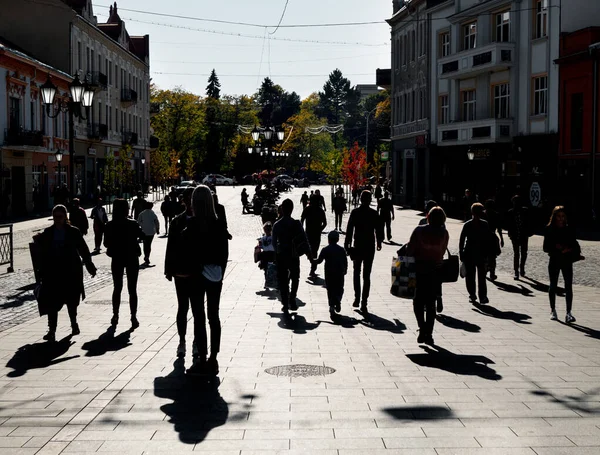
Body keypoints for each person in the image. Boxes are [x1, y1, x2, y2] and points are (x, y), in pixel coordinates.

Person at [33, 205, 96, 342]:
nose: (57, 219)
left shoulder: (73, 231)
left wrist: (89, 264)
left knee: (71, 301)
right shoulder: (49, 232)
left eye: (60, 216)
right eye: (55, 217)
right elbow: (42, 249)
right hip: (53, 273)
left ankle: (74, 323)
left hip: (70, 271)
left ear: (65, 217)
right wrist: (38, 239)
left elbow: (83, 249)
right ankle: (52, 330)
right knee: (52, 302)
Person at [185, 185, 229, 377]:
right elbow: (224, 254)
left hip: (195, 275)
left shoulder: (191, 226)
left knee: (199, 317)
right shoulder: (219, 225)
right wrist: (220, 273)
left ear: (194, 203)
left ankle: (202, 357)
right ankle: (214, 357)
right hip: (215, 275)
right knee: (214, 316)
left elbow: (186, 253)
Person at [407, 206, 449, 345]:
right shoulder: (444, 233)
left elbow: (410, 250)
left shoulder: (419, 230)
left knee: (418, 301)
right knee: (431, 303)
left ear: (428, 217)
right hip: (435, 271)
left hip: (418, 270)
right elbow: (442, 252)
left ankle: (422, 327)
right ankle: (429, 333)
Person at [165, 188, 197, 358]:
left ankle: (196, 342)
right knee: (183, 307)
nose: (191, 203)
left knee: (198, 309)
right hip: (181, 271)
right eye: (188, 199)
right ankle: (182, 341)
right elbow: (170, 246)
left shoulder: (202, 220)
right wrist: (168, 269)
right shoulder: (177, 221)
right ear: (184, 201)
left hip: (198, 272)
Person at [104, 199, 144, 330]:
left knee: (117, 288)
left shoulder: (110, 225)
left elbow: (105, 243)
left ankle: (115, 315)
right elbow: (142, 235)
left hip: (117, 258)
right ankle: (133, 316)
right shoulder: (132, 224)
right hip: (132, 257)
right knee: (132, 289)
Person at [344, 190, 383, 314]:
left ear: (360, 199)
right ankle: (364, 302)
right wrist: (379, 242)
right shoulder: (373, 213)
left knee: (357, 272)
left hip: (358, 245)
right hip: (369, 246)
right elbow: (379, 229)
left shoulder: (356, 213)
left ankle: (357, 298)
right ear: (370, 199)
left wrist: (347, 244)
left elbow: (349, 229)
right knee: (366, 275)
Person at [272, 198, 310, 314]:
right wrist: (310, 256)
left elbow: (274, 243)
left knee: (283, 280)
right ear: (292, 209)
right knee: (295, 277)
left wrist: (276, 254)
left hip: (282, 255)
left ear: (282, 209)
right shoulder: (296, 224)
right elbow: (304, 239)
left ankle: (284, 302)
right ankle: (292, 298)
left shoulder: (277, 225)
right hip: (294, 255)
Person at [544, 206, 580, 323]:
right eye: (558, 216)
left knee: (568, 286)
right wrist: (557, 248)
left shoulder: (569, 229)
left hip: (566, 260)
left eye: (563, 216)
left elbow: (574, 244)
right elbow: (545, 247)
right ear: (554, 217)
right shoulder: (549, 229)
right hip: (554, 260)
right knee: (553, 285)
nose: (561, 219)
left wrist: (569, 249)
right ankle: (552, 310)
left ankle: (568, 312)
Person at [459, 203, 491, 304]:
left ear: (472, 212)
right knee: (481, 277)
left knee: (470, 276)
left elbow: (462, 240)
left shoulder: (468, 224)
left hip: (469, 252)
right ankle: (482, 296)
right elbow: (488, 240)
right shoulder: (485, 224)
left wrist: (461, 253)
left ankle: (472, 294)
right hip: (481, 253)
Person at [313, 230, 348, 320]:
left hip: (329, 273)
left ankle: (331, 306)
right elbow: (345, 261)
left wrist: (313, 260)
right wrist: (345, 270)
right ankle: (338, 300)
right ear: (338, 239)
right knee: (340, 288)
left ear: (328, 240)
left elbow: (319, 260)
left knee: (330, 290)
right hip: (339, 273)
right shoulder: (341, 250)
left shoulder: (325, 249)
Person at [301, 194, 327, 276]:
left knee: (309, 251)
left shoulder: (307, 209)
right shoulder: (320, 210)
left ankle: (312, 266)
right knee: (314, 251)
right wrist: (320, 229)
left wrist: (302, 230)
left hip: (308, 233)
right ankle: (313, 267)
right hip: (316, 234)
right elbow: (325, 223)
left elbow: (302, 220)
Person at [506, 195, 531, 279]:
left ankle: (522, 268)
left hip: (523, 235)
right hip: (515, 235)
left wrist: (529, 232)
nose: (516, 203)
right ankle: (516, 270)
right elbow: (508, 224)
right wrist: (510, 233)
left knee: (524, 253)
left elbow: (529, 222)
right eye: (514, 202)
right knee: (517, 253)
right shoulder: (510, 212)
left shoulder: (525, 211)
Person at [483, 199, 504, 281]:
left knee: (485, 256)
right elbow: (499, 228)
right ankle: (492, 272)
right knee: (492, 256)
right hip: (492, 237)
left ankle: (485, 270)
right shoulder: (496, 215)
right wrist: (501, 239)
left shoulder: (483, 214)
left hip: (484, 237)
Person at [137, 201, 160, 265]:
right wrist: (157, 229)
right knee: (149, 244)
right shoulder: (152, 213)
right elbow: (156, 221)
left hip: (144, 231)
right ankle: (147, 256)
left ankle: (146, 255)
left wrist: (141, 226)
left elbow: (138, 222)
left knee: (145, 244)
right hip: (151, 231)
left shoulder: (142, 213)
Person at [258, 222, 276, 287]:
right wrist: (259, 245)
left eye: (268, 230)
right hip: (265, 254)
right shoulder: (263, 238)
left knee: (273, 268)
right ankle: (267, 281)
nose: (267, 231)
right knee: (266, 269)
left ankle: (272, 281)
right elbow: (261, 246)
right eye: (265, 230)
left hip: (272, 254)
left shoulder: (273, 237)